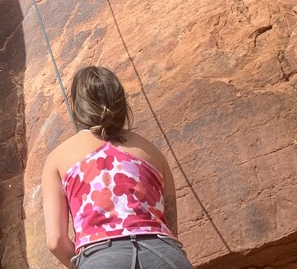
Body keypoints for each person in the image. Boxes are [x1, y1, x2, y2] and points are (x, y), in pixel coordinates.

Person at [42, 66, 194, 268]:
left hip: (101, 256)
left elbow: (56, 242)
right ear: (122, 104)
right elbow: (171, 229)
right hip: (164, 255)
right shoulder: (154, 154)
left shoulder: (58, 158)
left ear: (78, 107)